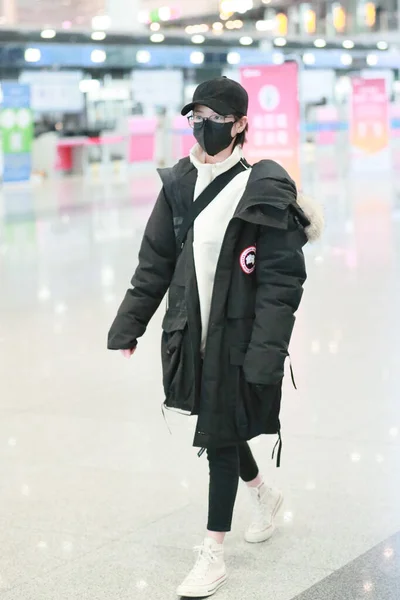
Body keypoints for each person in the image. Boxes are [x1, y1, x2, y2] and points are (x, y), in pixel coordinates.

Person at [108, 77, 323, 598]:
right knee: (219, 425)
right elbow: (154, 262)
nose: (203, 127)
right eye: (196, 116)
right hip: (195, 331)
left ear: (241, 125)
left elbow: (280, 284)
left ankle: (212, 554)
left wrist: (266, 354)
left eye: (216, 118)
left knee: (220, 438)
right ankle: (264, 494)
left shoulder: (264, 190)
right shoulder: (180, 184)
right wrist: (128, 324)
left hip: (241, 336)